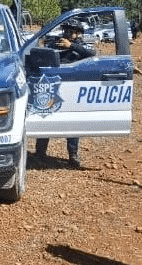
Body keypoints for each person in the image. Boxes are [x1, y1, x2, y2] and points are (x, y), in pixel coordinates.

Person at [34, 20, 96, 169]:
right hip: (53, 86)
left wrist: (72, 46)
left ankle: (73, 155)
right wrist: (41, 45)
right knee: (46, 117)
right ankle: (40, 154)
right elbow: (41, 56)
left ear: (79, 33)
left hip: (73, 87)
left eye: (74, 31)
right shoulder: (55, 43)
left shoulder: (83, 45)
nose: (70, 34)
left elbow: (93, 55)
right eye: (67, 30)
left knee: (73, 122)